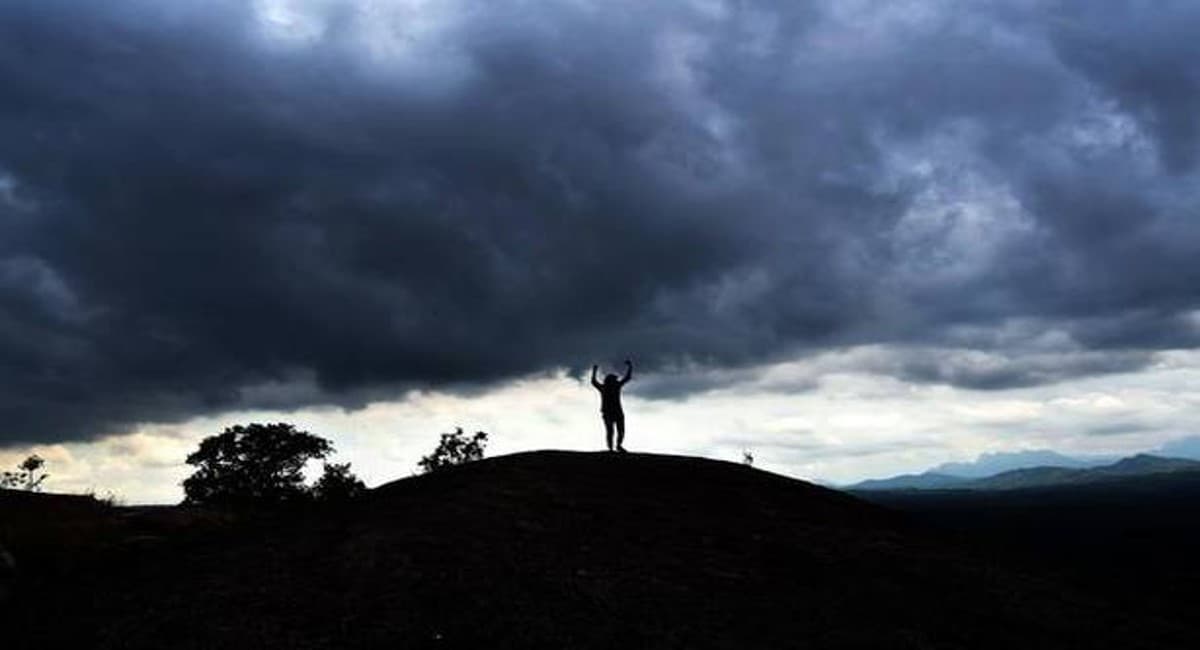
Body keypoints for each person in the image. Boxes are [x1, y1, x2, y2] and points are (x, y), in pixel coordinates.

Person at [591, 359, 633, 452]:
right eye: (614, 379)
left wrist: (630, 367)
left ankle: (617, 446)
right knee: (612, 431)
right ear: (610, 381)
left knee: (618, 430)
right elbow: (594, 382)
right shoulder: (607, 387)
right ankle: (612, 447)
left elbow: (627, 378)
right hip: (609, 412)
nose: (616, 380)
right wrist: (594, 371)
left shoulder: (610, 387)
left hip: (615, 412)